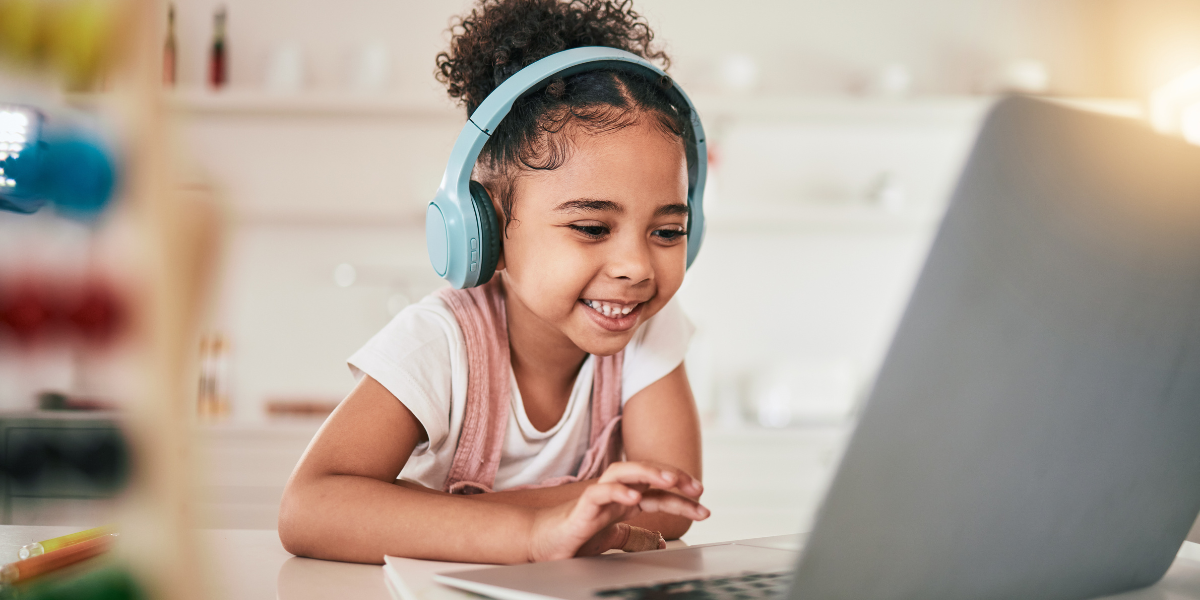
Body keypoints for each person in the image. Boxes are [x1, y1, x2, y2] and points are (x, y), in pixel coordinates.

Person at [278, 0, 708, 565]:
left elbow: (671, 503)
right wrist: (537, 534)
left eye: (668, 230)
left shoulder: (648, 328)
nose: (636, 267)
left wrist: (417, 513)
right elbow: (310, 508)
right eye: (591, 227)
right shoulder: (441, 342)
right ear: (485, 228)